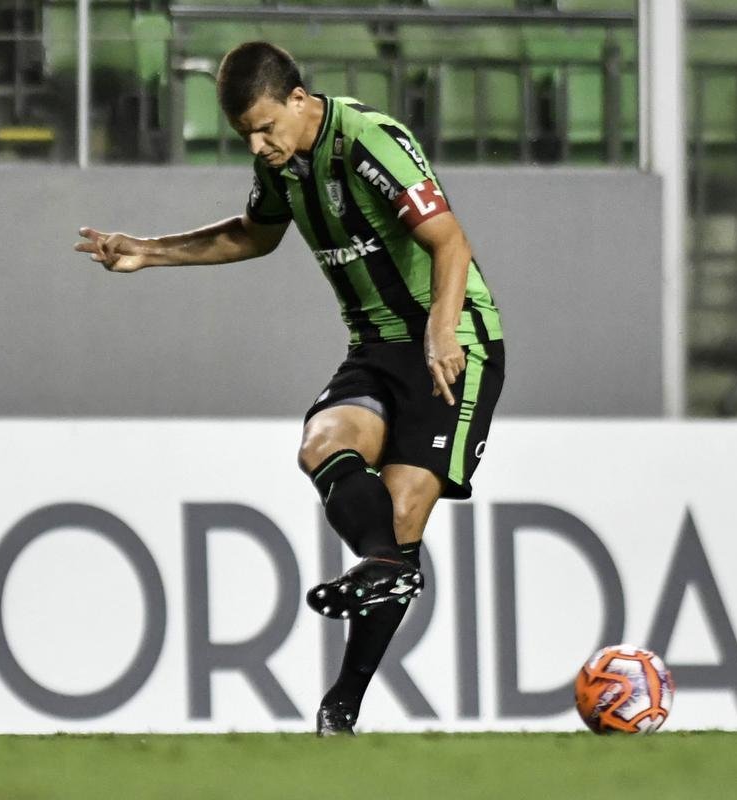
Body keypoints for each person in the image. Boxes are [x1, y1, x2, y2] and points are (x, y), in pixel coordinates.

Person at [74, 41, 504, 736]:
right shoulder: (281, 162)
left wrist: (444, 330)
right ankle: (388, 570)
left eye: (267, 126)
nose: (259, 143)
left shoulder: (371, 141)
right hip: (373, 348)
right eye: (247, 133)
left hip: (452, 345)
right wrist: (148, 251)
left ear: (300, 100)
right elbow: (253, 235)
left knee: (398, 519)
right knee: (323, 444)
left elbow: (450, 242)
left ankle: (343, 704)